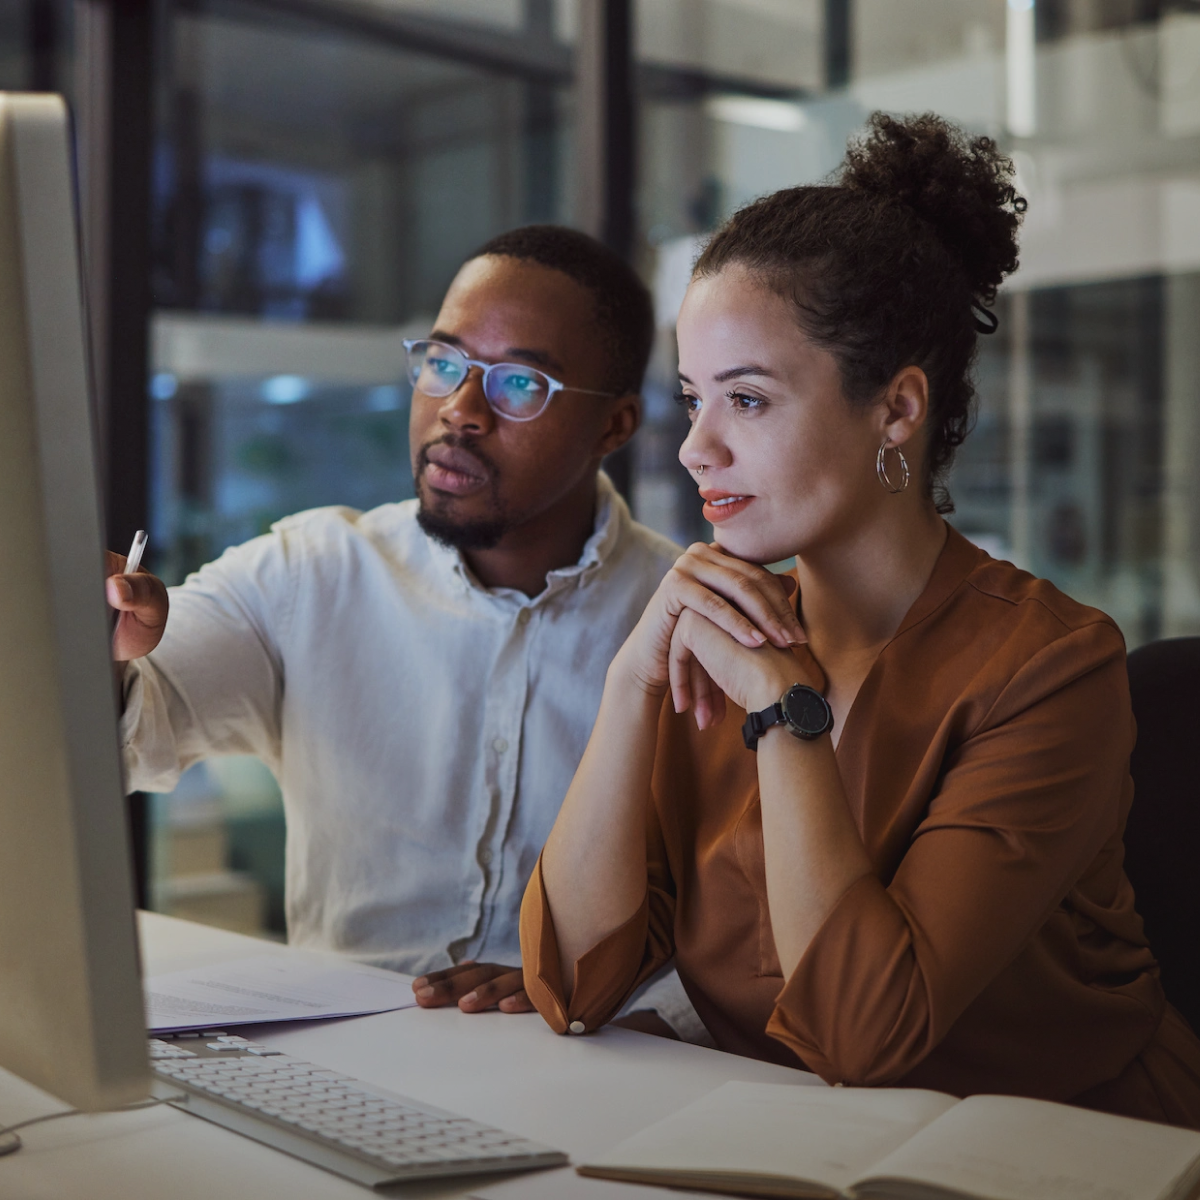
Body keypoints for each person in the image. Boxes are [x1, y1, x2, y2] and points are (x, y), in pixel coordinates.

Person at [521, 114, 1200, 1126]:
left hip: (1060, 1153)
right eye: (693, 401)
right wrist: (631, 685)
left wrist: (789, 715)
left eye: (746, 402)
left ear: (896, 410)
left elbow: (862, 1034)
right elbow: (572, 985)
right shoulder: (714, 633)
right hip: (794, 1144)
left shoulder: (1050, 664)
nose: (695, 450)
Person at [109, 224, 700, 1037]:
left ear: (615, 426)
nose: (458, 410)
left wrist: (607, 993)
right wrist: (101, 653)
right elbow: (131, 735)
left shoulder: (687, 624)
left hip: (587, 1061)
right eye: (445, 362)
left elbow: (740, 933)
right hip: (337, 1056)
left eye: (520, 384)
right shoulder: (313, 571)